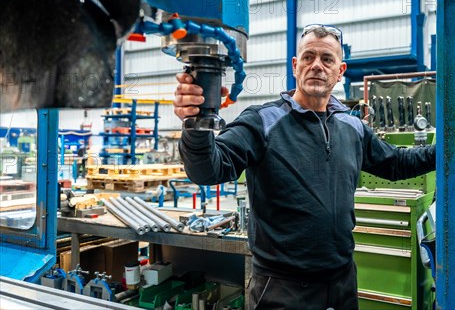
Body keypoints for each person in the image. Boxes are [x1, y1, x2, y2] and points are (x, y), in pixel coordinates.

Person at [174, 24, 436, 310]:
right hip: (282, 289)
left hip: (342, 281)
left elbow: (397, 163)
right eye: (308, 58)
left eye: (327, 59)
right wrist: (195, 125)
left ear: (340, 71)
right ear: (296, 66)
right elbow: (208, 170)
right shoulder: (262, 121)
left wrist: (450, 149)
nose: (317, 66)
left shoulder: (353, 127)